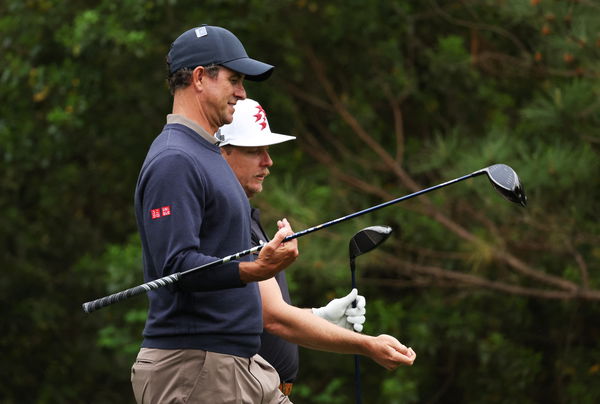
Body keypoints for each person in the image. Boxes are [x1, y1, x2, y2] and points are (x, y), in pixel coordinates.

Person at [130, 26, 299, 404]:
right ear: (200, 78)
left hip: (239, 363)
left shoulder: (206, 152)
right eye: (234, 80)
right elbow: (177, 265)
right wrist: (256, 269)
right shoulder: (174, 158)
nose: (242, 92)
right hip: (194, 367)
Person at [219, 98, 417, 397]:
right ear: (222, 153)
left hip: (266, 392)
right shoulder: (226, 220)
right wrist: (367, 345)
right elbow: (274, 319)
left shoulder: (247, 218)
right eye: (254, 150)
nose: (268, 161)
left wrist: (320, 315)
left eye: (267, 150)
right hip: (239, 390)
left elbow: (266, 311)